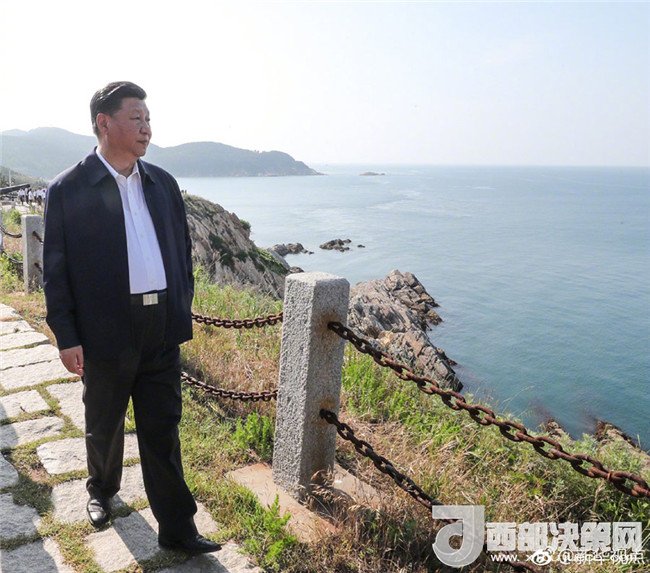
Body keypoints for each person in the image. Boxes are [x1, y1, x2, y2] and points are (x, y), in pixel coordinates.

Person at [43, 81, 220, 554]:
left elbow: (181, 252)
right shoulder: (68, 189)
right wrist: (67, 335)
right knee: (104, 422)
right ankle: (101, 490)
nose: (147, 128)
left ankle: (178, 529)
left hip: (159, 327)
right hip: (104, 330)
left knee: (163, 428)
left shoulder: (162, 183)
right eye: (136, 118)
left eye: (148, 119)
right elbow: (56, 273)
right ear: (104, 123)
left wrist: (179, 305)